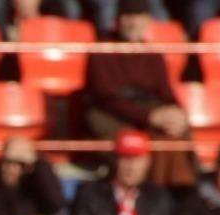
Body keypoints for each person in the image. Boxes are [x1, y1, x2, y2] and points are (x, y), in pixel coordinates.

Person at [80, 0, 193, 188]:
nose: (134, 23)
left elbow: (166, 93)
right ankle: (162, 191)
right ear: (118, 20)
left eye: (140, 17)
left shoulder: (153, 55)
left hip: (147, 112)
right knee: (151, 141)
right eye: (129, 17)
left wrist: (177, 114)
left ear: (148, 20)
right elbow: (106, 99)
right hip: (111, 115)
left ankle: (181, 189)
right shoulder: (102, 50)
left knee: (176, 132)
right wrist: (150, 117)